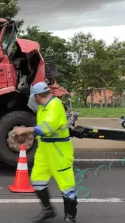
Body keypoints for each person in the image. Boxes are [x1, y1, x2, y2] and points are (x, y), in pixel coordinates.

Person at [13, 82, 77, 223]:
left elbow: (47, 128)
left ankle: (70, 218)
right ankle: (48, 210)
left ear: (37, 96)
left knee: (67, 186)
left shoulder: (55, 105)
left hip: (58, 151)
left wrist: (25, 130)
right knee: (37, 181)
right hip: (44, 151)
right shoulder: (44, 107)